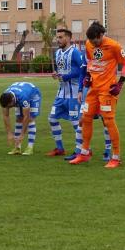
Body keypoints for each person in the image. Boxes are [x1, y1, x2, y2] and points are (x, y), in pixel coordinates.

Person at [70, 22, 125, 167]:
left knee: (108, 121)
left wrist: (120, 83)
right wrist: (88, 77)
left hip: (107, 91)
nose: (93, 44)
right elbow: (91, 61)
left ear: (101, 35)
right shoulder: (89, 44)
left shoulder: (114, 46)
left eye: (95, 41)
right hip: (93, 90)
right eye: (91, 41)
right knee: (85, 117)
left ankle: (116, 157)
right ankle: (84, 153)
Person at [45, 29, 83, 158]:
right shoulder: (57, 53)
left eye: (60, 37)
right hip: (61, 94)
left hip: (73, 94)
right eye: (57, 37)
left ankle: (81, 150)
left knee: (75, 123)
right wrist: (56, 74)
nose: (58, 40)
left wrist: (67, 76)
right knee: (52, 118)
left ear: (68, 38)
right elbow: (61, 70)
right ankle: (60, 148)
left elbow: (83, 69)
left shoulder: (75, 52)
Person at [0, 82, 41, 156]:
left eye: (10, 106)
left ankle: (30, 147)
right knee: (19, 119)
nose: (9, 108)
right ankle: (17, 148)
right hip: (20, 93)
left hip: (33, 94)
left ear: (12, 100)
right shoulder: (5, 97)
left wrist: (22, 134)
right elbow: (6, 116)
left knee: (30, 118)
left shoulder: (23, 98)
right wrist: (9, 133)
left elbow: (26, 117)